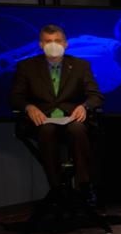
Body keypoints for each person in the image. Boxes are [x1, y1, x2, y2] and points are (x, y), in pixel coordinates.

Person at [10, 24, 103, 197]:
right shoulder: (26, 67)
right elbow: (16, 97)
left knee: (77, 129)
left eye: (57, 41)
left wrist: (85, 107)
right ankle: (56, 186)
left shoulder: (80, 65)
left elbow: (95, 95)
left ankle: (84, 184)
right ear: (40, 45)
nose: (53, 45)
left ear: (66, 43)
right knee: (47, 129)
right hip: (42, 120)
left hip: (72, 118)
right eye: (48, 41)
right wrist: (29, 107)